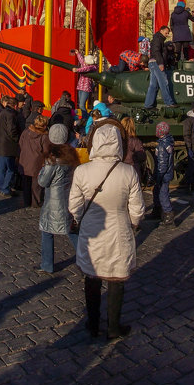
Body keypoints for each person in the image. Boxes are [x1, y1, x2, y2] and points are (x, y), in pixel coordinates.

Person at [68, 122, 145, 340]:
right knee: (116, 279)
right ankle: (113, 326)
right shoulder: (128, 171)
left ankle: (93, 324)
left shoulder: (82, 171)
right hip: (119, 230)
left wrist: (80, 218)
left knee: (92, 278)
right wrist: (134, 223)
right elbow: (137, 208)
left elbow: (74, 205)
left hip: (92, 231)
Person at [37, 125, 80, 273]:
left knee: (47, 231)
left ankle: (47, 264)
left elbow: (43, 181)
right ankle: (86, 258)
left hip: (53, 201)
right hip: (68, 197)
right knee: (71, 230)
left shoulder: (52, 160)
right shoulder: (71, 155)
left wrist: (42, 169)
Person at [18, 114, 49, 209]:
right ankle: (36, 202)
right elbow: (46, 151)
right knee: (36, 185)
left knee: (26, 183)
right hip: (37, 163)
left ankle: (27, 201)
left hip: (24, 160)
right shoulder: (44, 137)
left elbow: (20, 144)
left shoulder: (26, 132)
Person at [0, 96, 22, 198]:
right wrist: (17, 139)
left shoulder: (2, 112)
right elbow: (12, 131)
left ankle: (2, 187)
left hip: (0, 145)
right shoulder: (11, 115)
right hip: (8, 146)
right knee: (10, 169)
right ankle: (5, 188)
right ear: (15, 105)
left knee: (2, 169)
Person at [144, 25, 176, 108]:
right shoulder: (158, 39)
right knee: (163, 82)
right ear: (161, 31)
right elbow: (156, 51)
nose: (167, 34)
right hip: (156, 62)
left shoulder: (158, 39)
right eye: (166, 32)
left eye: (168, 33)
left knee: (153, 85)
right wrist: (161, 63)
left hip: (153, 63)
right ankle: (169, 102)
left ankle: (148, 104)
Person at [152, 121, 175, 224]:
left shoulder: (162, 145)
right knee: (157, 192)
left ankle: (168, 214)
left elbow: (162, 164)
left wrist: (159, 176)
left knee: (163, 194)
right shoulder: (168, 142)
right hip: (166, 174)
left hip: (162, 175)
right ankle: (158, 210)